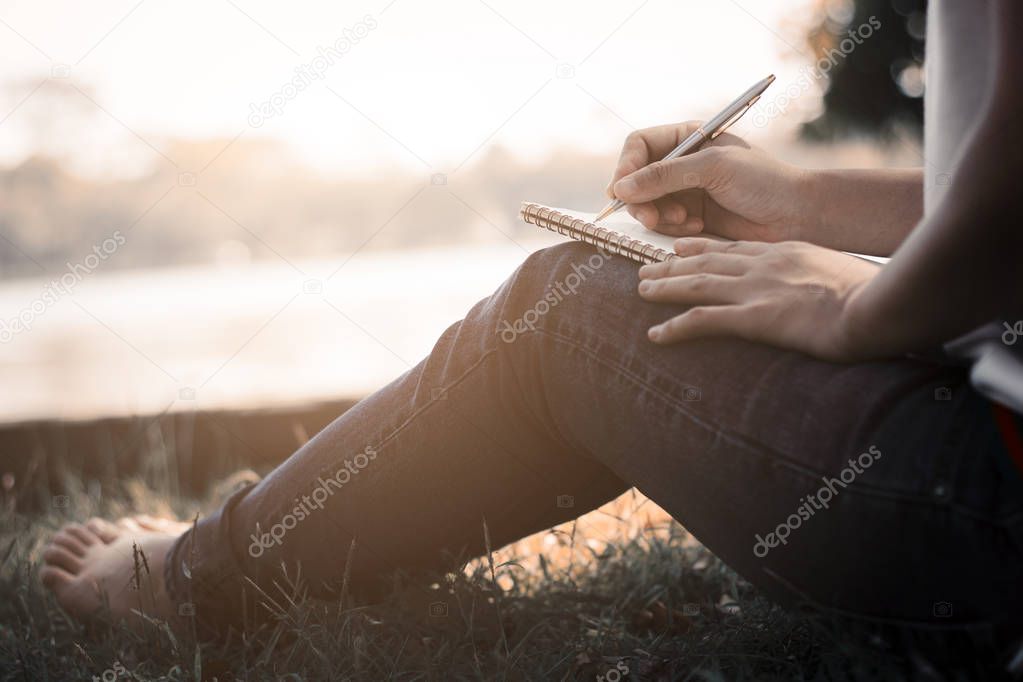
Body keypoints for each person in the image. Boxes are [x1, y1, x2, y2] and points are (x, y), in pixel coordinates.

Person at [40, 0, 1023, 639]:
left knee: (567, 310)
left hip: (991, 500)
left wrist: (855, 308)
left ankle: (195, 583)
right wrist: (805, 207)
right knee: (625, 290)